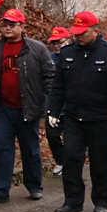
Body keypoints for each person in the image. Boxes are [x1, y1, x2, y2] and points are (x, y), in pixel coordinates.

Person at [46, 11, 107, 212]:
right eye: (75, 32)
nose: (78, 36)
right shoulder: (67, 53)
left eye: (83, 32)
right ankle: (73, 201)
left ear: (95, 31)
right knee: (71, 157)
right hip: (72, 117)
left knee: (100, 161)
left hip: (100, 118)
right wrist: (53, 110)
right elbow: (58, 85)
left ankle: (102, 201)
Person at [0, 9, 54, 203]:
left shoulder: (37, 49)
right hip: (3, 108)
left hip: (28, 108)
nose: (8, 28)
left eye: (12, 24)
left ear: (22, 27)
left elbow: (49, 76)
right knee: (1, 147)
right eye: (5, 24)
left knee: (30, 149)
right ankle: (0, 190)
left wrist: (48, 103)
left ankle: (34, 186)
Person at [44, 26, 72, 176]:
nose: (56, 46)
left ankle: (71, 162)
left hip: (72, 105)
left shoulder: (76, 56)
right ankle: (60, 160)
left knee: (71, 137)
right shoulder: (49, 59)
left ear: (68, 40)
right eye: (54, 43)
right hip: (54, 104)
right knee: (52, 135)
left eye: (59, 42)